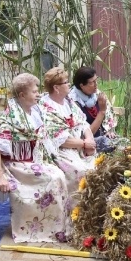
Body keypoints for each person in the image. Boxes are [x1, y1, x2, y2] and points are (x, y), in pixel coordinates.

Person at [0, 73, 70, 243]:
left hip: (33, 160)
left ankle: (56, 227)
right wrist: (0, 177)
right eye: (35, 92)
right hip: (16, 164)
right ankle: (40, 229)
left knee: (60, 173)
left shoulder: (36, 112)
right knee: (53, 177)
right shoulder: (12, 117)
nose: (38, 95)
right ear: (22, 95)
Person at [38, 67, 96, 197]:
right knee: (80, 171)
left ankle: (93, 209)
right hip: (61, 151)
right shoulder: (46, 108)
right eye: (65, 82)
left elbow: (83, 122)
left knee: (97, 165)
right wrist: (84, 144)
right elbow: (60, 139)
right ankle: (74, 209)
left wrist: (90, 140)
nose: (69, 84)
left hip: (80, 146)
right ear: (56, 88)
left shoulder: (68, 102)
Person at [69, 66, 120, 153]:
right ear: (82, 85)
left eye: (96, 80)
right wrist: (102, 112)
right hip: (88, 144)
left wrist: (109, 131)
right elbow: (84, 135)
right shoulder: (72, 102)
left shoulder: (97, 94)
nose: (96, 84)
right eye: (92, 82)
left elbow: (109, 119)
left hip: (104, 137)